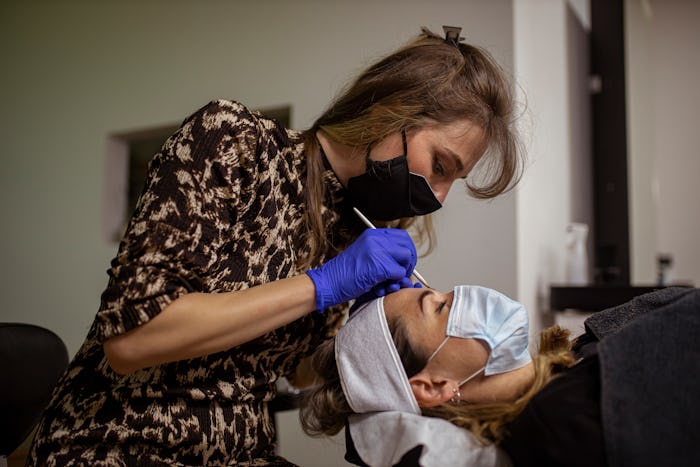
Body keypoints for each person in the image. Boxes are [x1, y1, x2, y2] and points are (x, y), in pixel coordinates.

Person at [28, 26, 522, 466]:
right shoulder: (234, 143)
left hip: (244, 450)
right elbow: (132, 341)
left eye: (454, 179)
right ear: (391, 110)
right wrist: (320, 285)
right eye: (440, 165)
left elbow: (296, 371)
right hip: (117, 442)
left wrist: (363, 332)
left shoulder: (361, 226)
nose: (437, 197)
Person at [301, 286, 700, 467]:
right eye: (439, 307)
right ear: (435, 385)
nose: (462, 293)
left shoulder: (576, 357)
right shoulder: (562, 421)